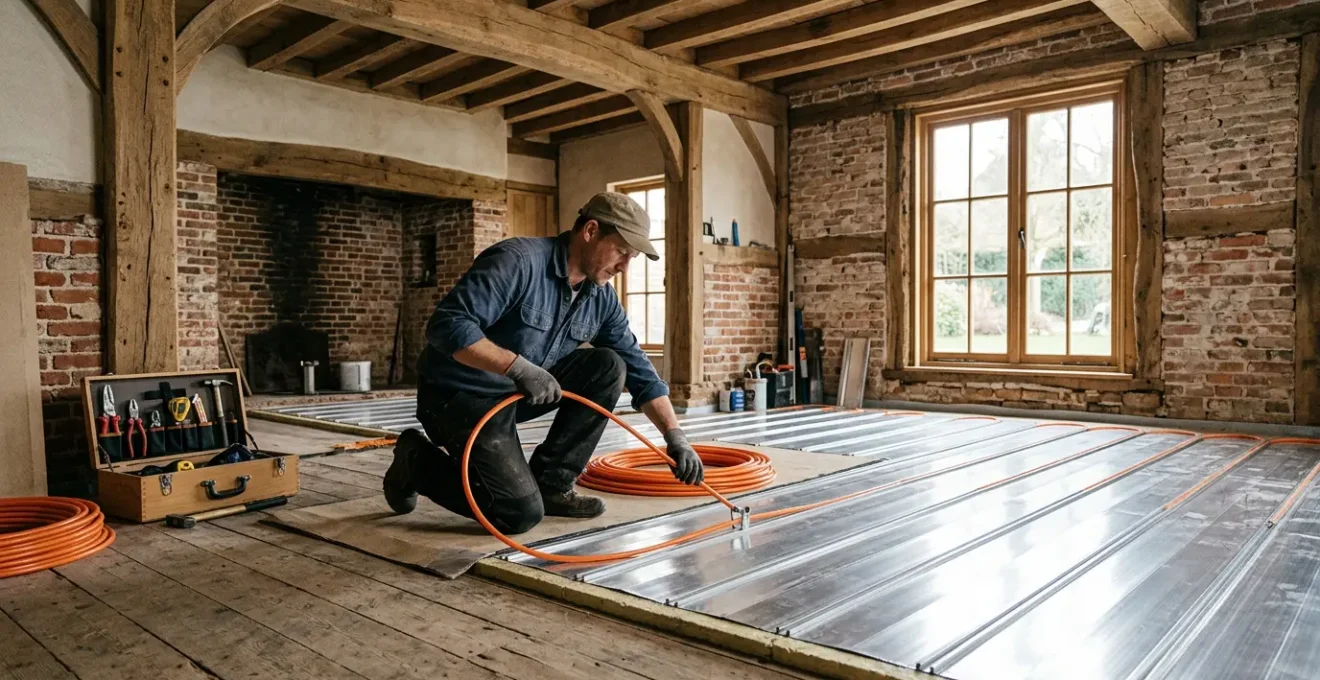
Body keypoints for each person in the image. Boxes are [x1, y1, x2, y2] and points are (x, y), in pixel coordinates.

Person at [384, 192, 705, 534]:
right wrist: (517, 367)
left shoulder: (600, 297)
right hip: (458, 398)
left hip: (516, 395)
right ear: (591, 231)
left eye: (633, 257)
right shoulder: (517, 261)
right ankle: (415, 462)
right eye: (622, 252)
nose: (626, 267)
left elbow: (639, 369)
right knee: (517, 514)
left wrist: (675, 437)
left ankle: (552, 484)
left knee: (609, 366)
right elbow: (447, 326)